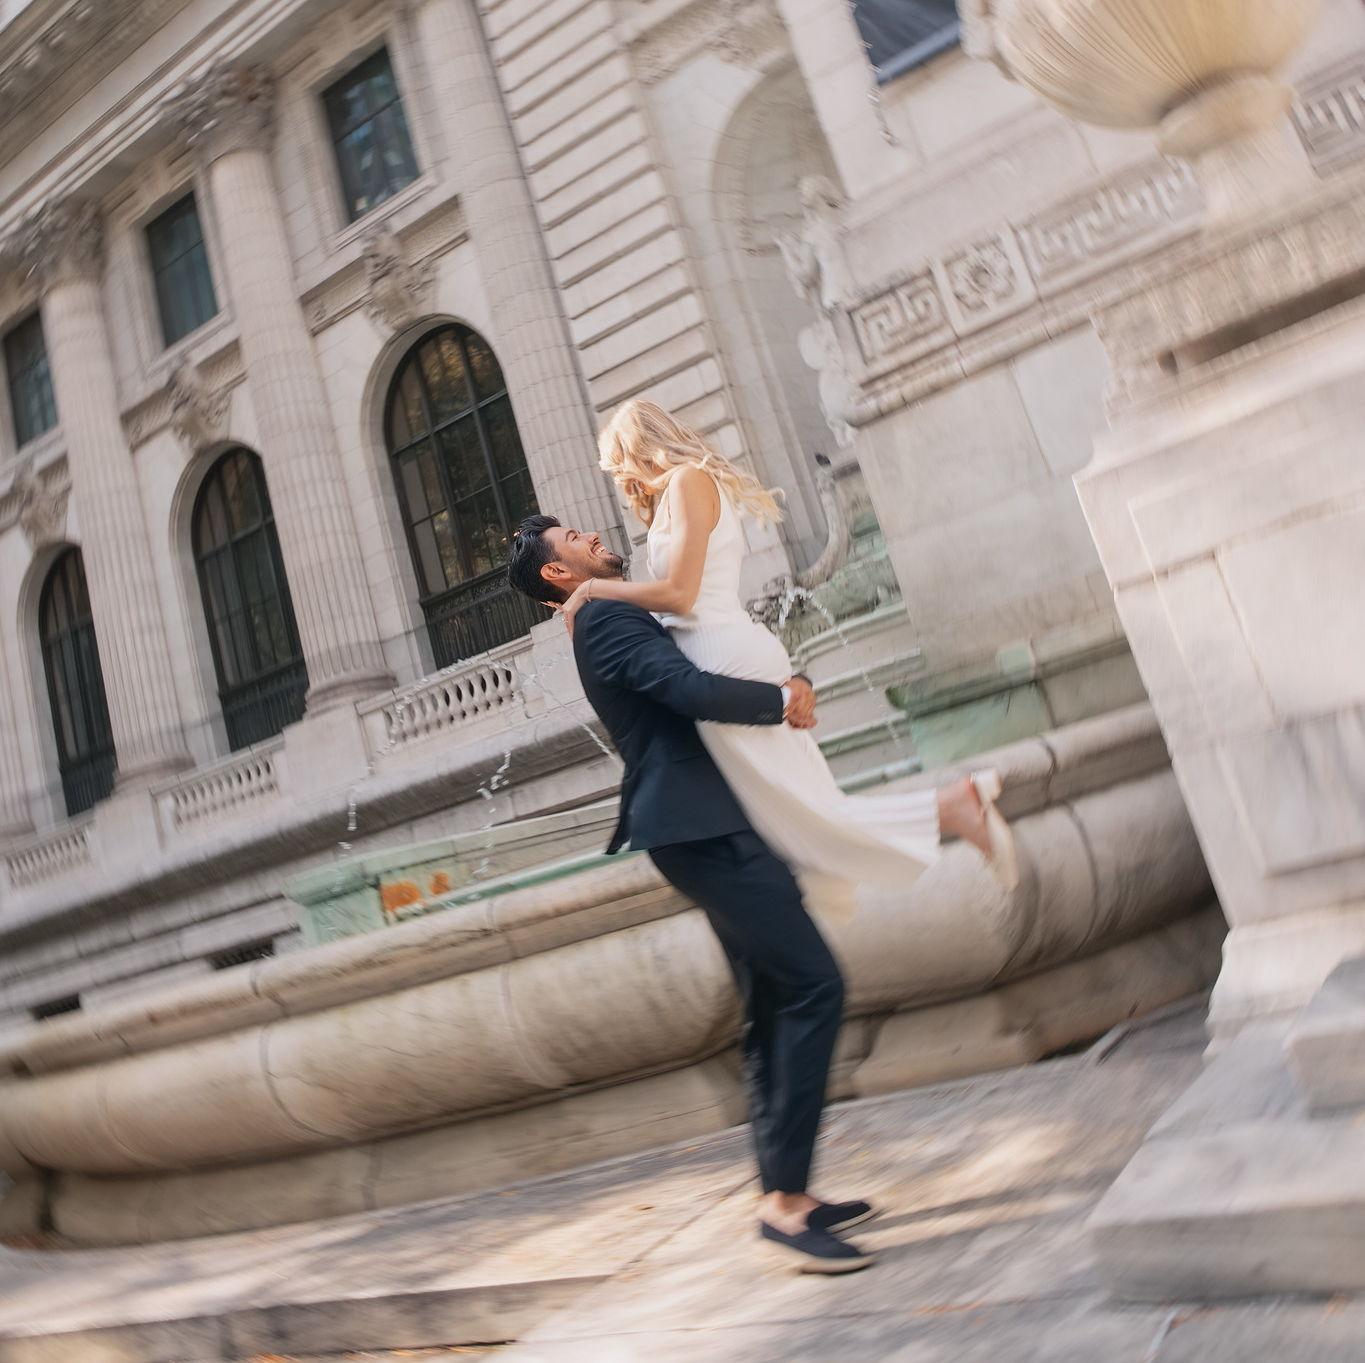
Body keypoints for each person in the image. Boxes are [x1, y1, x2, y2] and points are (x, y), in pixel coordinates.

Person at [508, 517, 877, 1274]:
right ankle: (784, 1203)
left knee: (771, 1002)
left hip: (702, 824)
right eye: (572, 538)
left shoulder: (606, 608)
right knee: (814, 984)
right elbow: (683, 688)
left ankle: (785, 1194)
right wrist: (780, 698)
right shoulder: (603, 616)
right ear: (556, 574)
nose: (591, 535)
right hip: (700, 827)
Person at [563, 397, 1018, 912]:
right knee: (795, 814)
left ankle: (953, 807)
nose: (623, 482)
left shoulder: (689, 481)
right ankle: (860, 875)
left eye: (619, 467)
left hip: (724, 657)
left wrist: (593, 590)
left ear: (638, 449)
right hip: (720, 655)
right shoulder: (675, 493)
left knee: (802, 818)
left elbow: (680, 596)